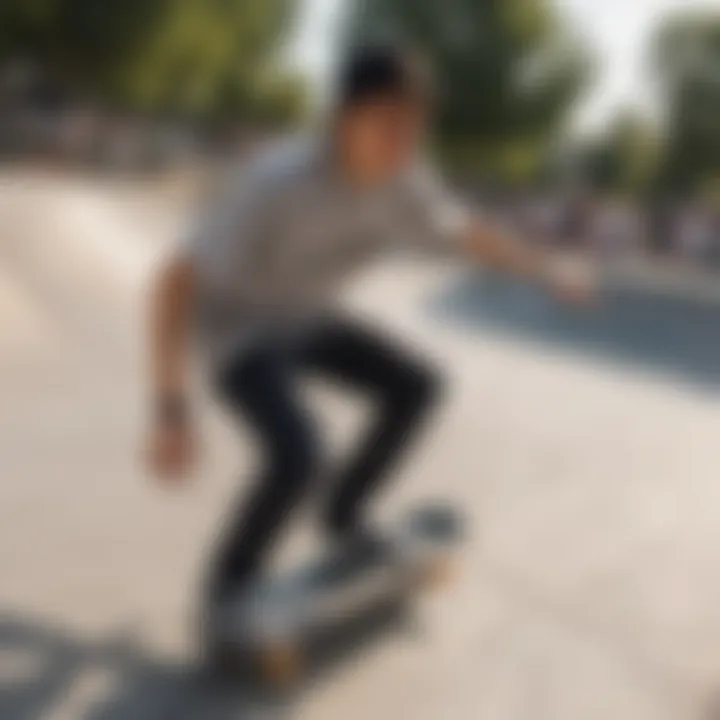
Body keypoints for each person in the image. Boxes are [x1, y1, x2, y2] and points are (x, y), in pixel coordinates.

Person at [146, 45, 593, 608]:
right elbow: (173, 283)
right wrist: (170, 408)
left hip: (309, 316)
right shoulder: (275, 181)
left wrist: (546, 266)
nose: (401, 146)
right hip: (241, 331)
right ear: (340, 119)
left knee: (419, 385)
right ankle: (230, 583)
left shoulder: (406, 177)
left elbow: (466, 233)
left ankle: (343, 511)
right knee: (301, 454)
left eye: (413, 129)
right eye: (386, 124)